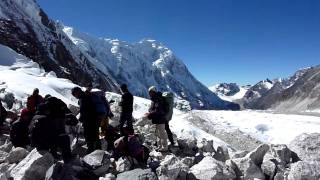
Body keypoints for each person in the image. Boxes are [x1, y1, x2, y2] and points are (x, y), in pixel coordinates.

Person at [29, 95, 75, 162]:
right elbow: (54, 133)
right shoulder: (47, 119)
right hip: (45, 144)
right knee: (65, 139)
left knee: (56, 138)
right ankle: (67, 159)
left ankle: (55, 155)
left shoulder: (36, 118)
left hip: (38, 144)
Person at [71, 87, 101, 154]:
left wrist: (80, 119)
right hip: (95, 119)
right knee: (95, 135)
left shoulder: (83, 99)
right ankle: (99, 151)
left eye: (74, 94)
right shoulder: (87, 95)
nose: (75, 96)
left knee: (88, 136)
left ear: (77, 93)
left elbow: (84, 111)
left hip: (89, 121)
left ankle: (91, 152)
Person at [145, 86, 168, 152]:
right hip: (158, 119)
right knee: (158, 134)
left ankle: (165, 147)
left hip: (160, 119)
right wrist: (150, 111)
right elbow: (154, 109)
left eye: (150, 92)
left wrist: (150, 114)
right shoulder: (155, 99)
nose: (149, 93)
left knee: (162, 134)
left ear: (153, 92)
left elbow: (157, 110)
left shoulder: (158, 99)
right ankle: (160, 146)